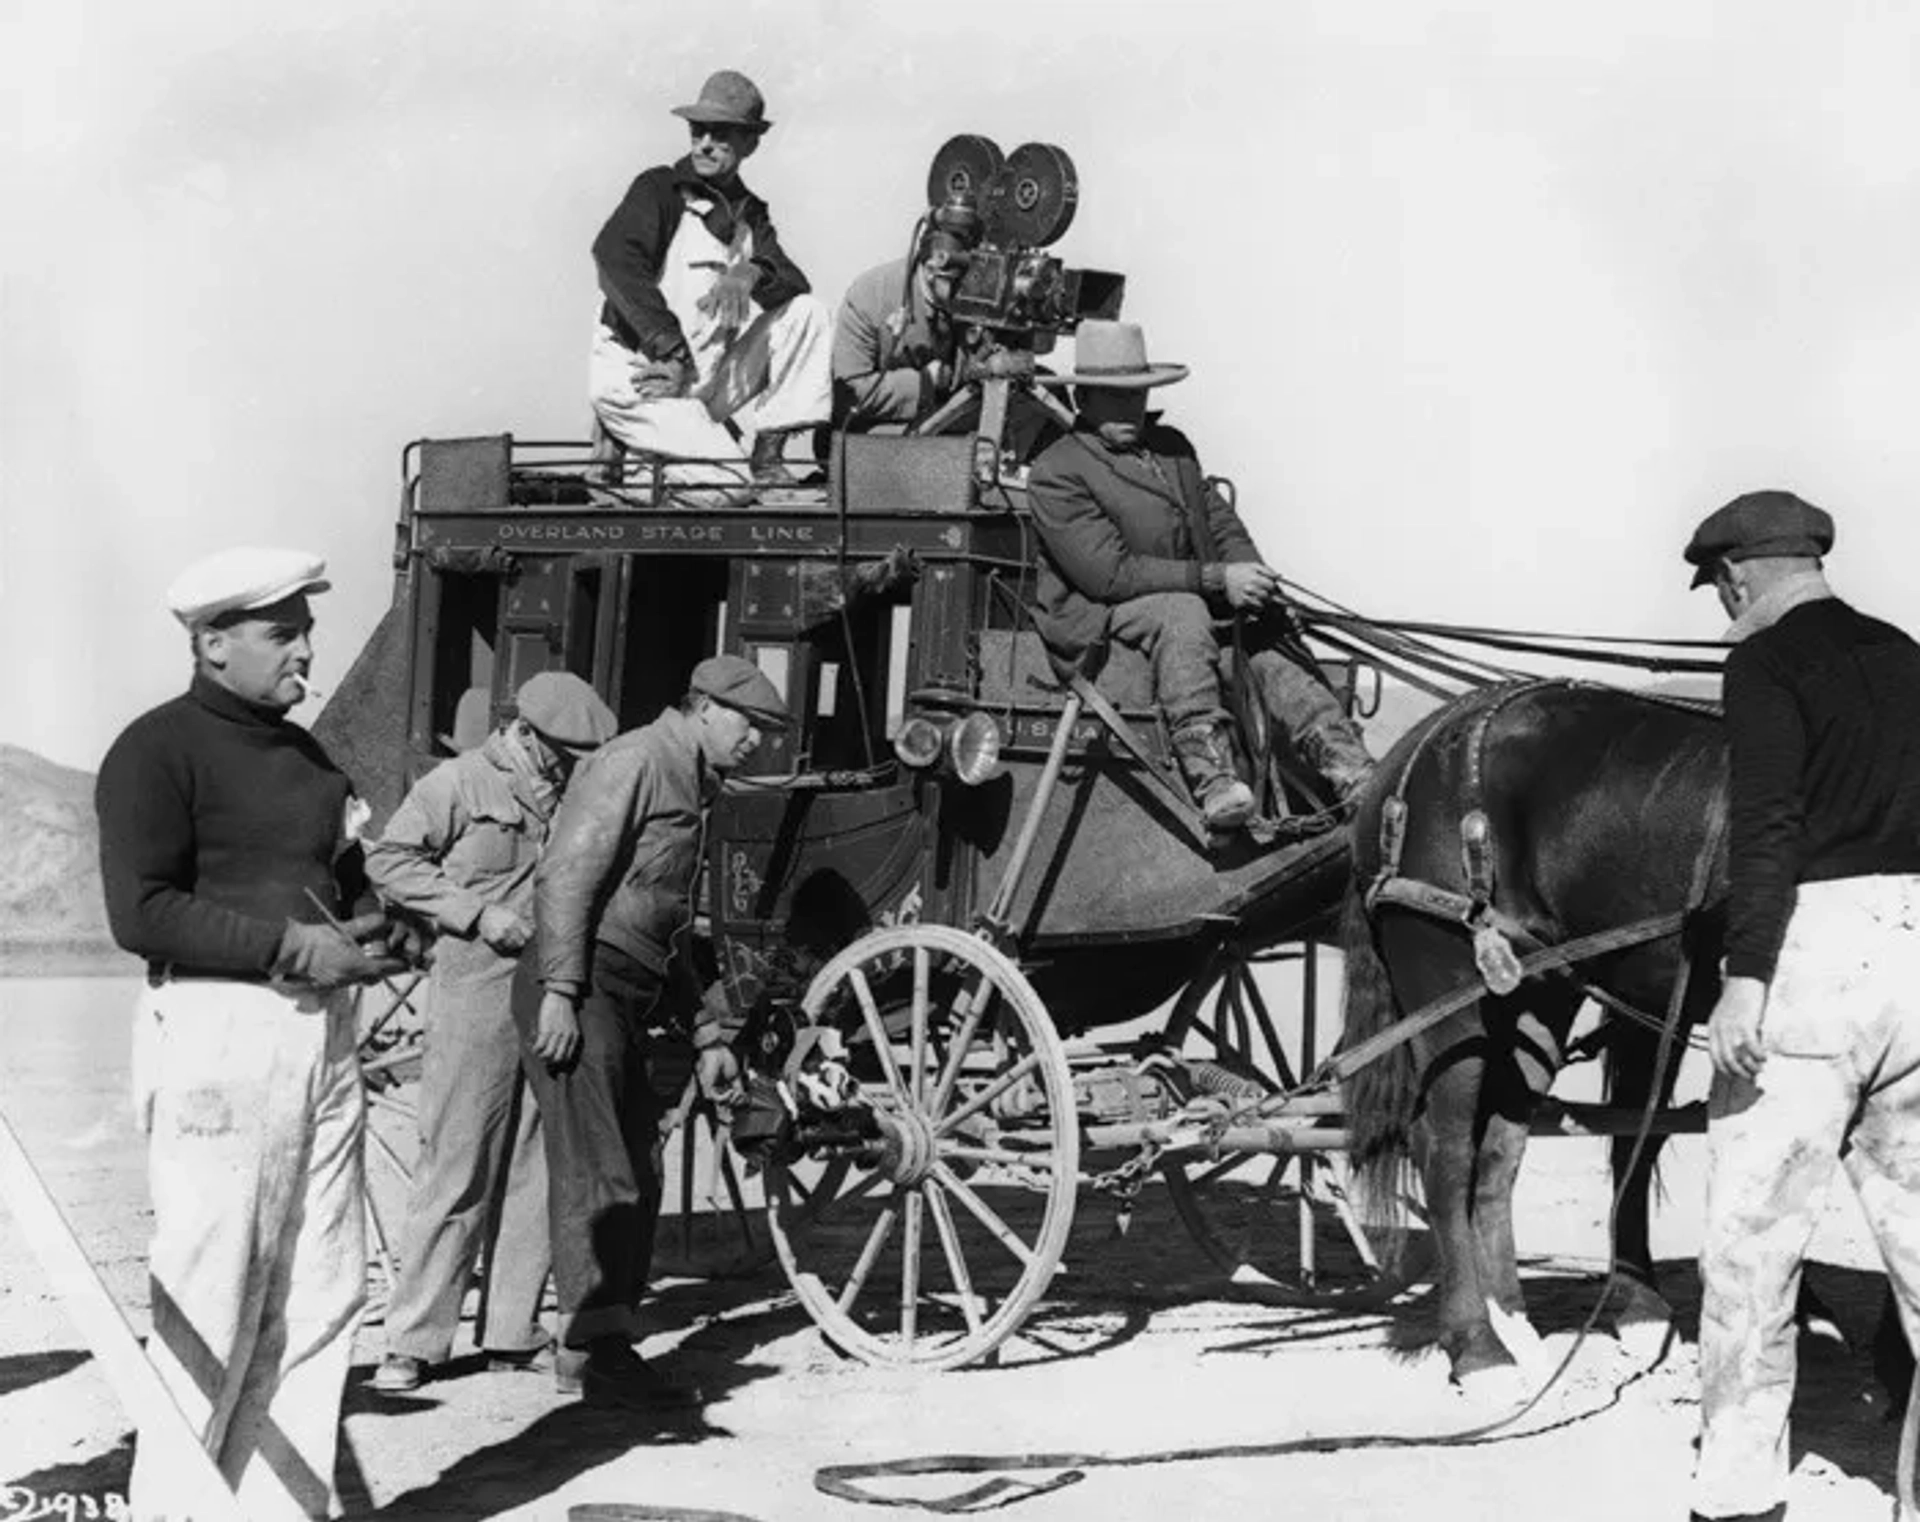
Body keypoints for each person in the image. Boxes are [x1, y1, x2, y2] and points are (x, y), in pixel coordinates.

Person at [96, 547, 417, 1521]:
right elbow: (142, 913)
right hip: (217, 1036)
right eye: (284, 632)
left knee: (321, 1293)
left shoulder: (312, 760)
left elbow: (343, 881)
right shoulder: (156, 750)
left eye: (305, 627)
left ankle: (280, 1509)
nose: (307, 648)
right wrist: (290, 949)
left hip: (322, 1042)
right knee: (213, 1293)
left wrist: (384, 924)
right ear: (211, 642)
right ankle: (175, 1509)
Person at [1685, 490, 1920, 1522]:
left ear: (1738, 577)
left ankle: (1739, 1493)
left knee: (1752, 1236)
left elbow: (1767, 825)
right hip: (1916, 944)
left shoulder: (1763, 662)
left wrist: (1744, 977)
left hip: (1813, 960)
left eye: (1720, 591)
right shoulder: (1906, 651)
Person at [519, 654, 789, 1406]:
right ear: (704, 707)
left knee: (640, 1164)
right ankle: (592, 1352)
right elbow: (566, 877)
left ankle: (605, 1343)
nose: (758, 744)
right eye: (752, 725)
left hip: (621, 985)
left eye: (768, 731)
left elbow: (659, 925)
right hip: (577, 984)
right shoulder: (635, 759)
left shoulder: (690, 778)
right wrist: (559, 991)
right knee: (603, 1167)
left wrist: (707, 1030)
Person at [364, 672, 617, 1395]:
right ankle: (414, 1342)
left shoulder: (576, 791)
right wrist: (471, 913)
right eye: (564, 750)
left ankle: (511, 1332)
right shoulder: (460, 783)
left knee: (538, 1163)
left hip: (549, 997)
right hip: (474, 989)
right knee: (457, 1160)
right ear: (527, 735)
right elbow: (389, 861)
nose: (574, 763)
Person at [1025, 319, 1374, 830]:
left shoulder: (1173, 449)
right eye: (1115, 397)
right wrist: (1214, 580)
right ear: (1083, 398)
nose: (1130, 409)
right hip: (1100, 615)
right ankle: (1213, 779)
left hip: (1189, 602)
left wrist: (1249, 576)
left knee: (1266, 658)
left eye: (1137, 395)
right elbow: (1108, 575)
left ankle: (1353, 771)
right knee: (1183, 612)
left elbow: (1218, 521)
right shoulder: (1058, 471)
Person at [589, 68, 833, 489]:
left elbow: (794, 282)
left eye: (721, 135)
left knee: (808, 313)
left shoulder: (749, 212)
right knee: (727, 491)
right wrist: (671, 352)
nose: (704, 143)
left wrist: (751, 271)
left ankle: (767, 457)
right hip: (647, 380)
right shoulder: (659, 190)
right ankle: (634, 459)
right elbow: (614, 260)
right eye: (698, 130)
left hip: (702, 383)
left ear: (750, 143)